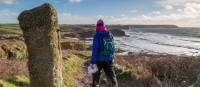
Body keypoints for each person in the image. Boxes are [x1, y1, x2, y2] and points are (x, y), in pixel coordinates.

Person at [90, 19, 118, 87]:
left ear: (97, 26)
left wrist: (93, 62)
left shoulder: (97, 35)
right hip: (109, 59)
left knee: (96, 76)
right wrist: (112, 58)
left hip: (99, 60)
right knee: (111, 77)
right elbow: (113, 47)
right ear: (104, 25)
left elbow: (95, 49)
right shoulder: (110, 34)